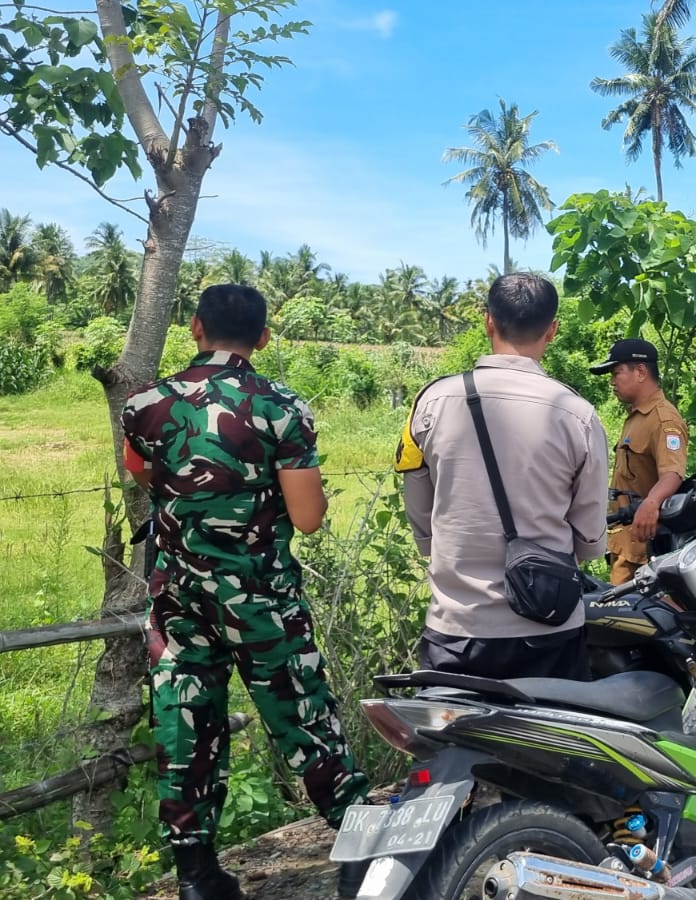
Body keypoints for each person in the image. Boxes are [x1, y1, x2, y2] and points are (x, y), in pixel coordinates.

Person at [122, 283, 369, 900]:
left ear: (195, 328)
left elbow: (142, 473)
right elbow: (307, 518)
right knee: (301, 710)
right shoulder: (281, 406)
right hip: (259, 594)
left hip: (179, 594)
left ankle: (196, 874)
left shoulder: (144, 404)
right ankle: (362, 851)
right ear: (263, 337)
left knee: (185, 716)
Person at [397, 273, 608, 681]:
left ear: (488, 321)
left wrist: (436, 544)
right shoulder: (577, 414)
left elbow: (419, 508)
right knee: (553, 725)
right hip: (548, 626)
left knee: (449, 723)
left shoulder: (431, 402)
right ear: (553, 330)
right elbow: (589, 535)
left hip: (456, 628)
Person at [589, 338, 688, 585]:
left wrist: (652, 502)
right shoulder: (636, 416)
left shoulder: (663, 419)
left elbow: (673, 473)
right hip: (624, 545)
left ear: (641, 372)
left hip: (645, 554)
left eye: (617, 373)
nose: (612, 381)